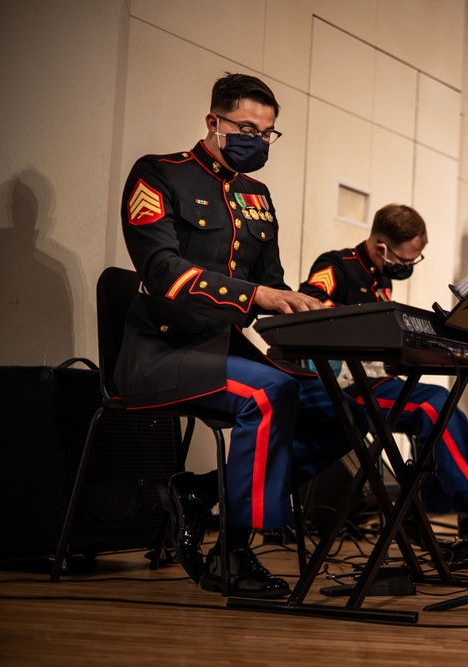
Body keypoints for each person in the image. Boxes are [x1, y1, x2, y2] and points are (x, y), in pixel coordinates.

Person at [117, 73, 366, 598]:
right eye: (247, 127)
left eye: (268, 132)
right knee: (271, 393)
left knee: (343, 414)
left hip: (227, 350)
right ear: (214, 122)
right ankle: (233, 551)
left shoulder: (257, 194)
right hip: (161, 350)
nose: (258, 139)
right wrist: (261, 298)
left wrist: (317, 312)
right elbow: (163, 270)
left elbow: (274, 286)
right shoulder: (158, 174)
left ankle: (201, 492)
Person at [299, 203, 468, 532]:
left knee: (443, 400)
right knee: (431, 403)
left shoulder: (381, 275)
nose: (408, 266)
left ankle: (421, 509)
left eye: (414, 260)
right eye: (405, 259)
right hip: (347, 387)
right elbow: (306, 305)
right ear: (381, 246)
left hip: (377, 380)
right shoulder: (337, 266)